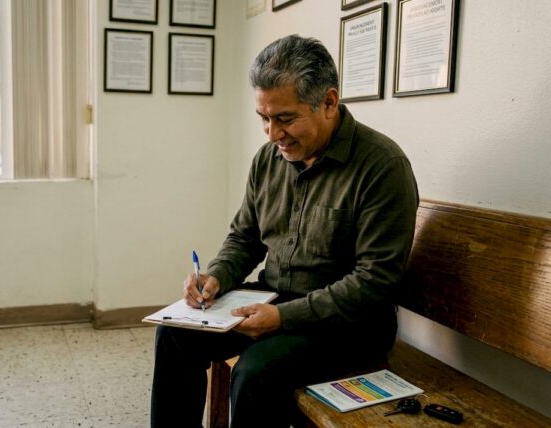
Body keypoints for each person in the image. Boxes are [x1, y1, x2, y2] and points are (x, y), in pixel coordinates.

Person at [150, 35, 419, 428]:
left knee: (256, 373)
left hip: (348, 327)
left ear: (329, 102)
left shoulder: (383, 166)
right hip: (274, 299)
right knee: (174, 335)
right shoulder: (269, 159)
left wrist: (282, 318)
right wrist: (217, 276)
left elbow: (374, 283)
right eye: (264, 118)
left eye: (285, 119)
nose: (272, 134)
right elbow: (245, 237)